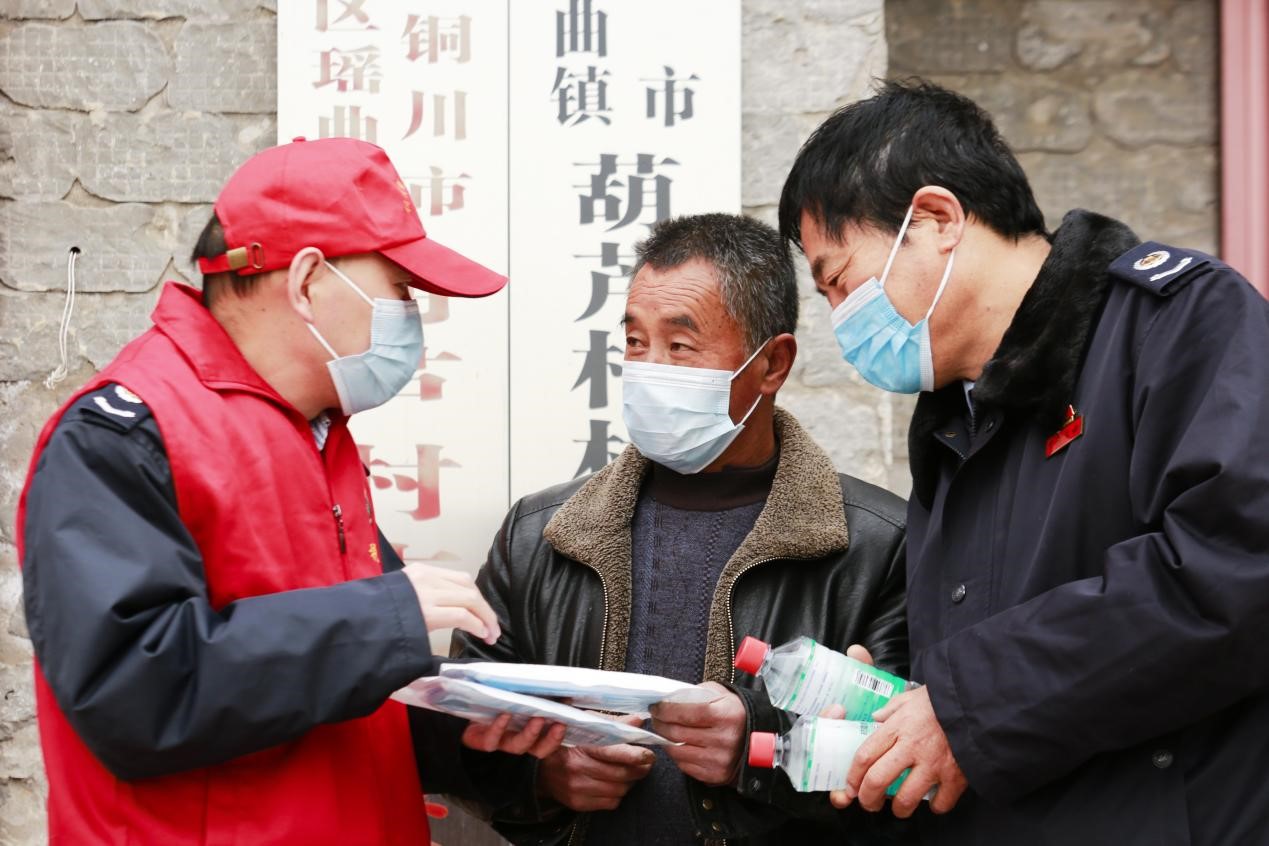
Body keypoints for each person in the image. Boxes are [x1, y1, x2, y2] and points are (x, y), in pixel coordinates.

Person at [17, 136, 560, 844]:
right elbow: (130, 692)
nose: (412, 319)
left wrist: (478, 736)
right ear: (306, 281)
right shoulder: (124, 435)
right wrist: (382, 620)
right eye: (399, 290)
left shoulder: (320, 434)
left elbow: (339, 694)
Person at [778, 79, 1269, 845]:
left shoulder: (1177, 321)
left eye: (837, 281)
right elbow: (979, 649)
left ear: (936, 219)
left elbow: (1233, 570)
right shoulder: (955, 420)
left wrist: (962, 705)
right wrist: (897, 700)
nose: (841, 320)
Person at [451, 213, 913, 845]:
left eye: (680, 346)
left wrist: (759, 749)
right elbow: (459, 730)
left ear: (773, 363)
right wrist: (542, 778)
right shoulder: (540, 535)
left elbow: (912, 767)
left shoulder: (878, 546)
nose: (649, 367)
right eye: (635, 342)